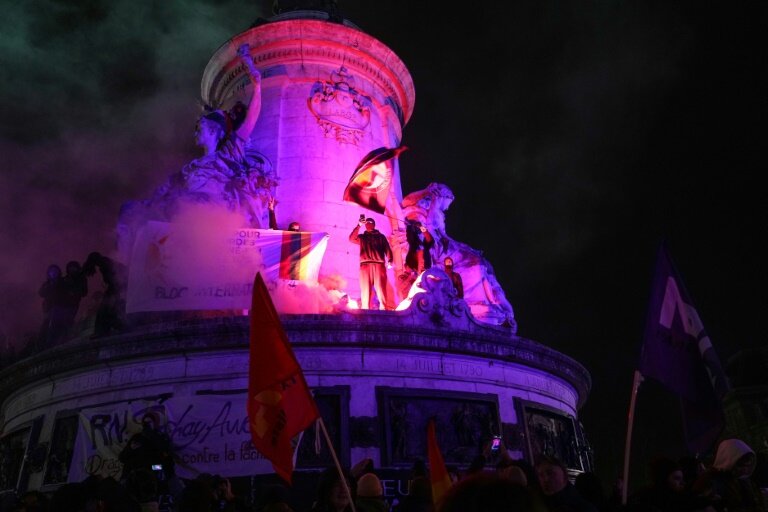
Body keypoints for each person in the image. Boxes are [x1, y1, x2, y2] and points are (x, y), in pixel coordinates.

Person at [693, 438, 767, 512]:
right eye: (740, 465)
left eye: (748, 466)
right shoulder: (710, 480)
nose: (745, 470)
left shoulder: (744, 480)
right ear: (728, 460)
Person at [349, 217, 394, 310]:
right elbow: (352, 239)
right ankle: (365, 310)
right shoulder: (362, 237)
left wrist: (390, 260)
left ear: (374, 224)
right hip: (365, 265)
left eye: (370, 222)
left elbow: (387, 248)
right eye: (367, 223)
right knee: (365, 290)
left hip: (379, 265)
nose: (368, 224)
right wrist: (358, 225)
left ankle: (384, 310)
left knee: (381, 288)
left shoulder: (381, 237)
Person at [82, 251, 127, 337]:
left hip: (115, 289)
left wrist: (115, 288)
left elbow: (115, 278)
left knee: (106, 310)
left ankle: (105, 330)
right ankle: (108, 329)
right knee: (107, 310)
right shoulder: (105, 263)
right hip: (115, 288)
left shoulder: (105, 264)